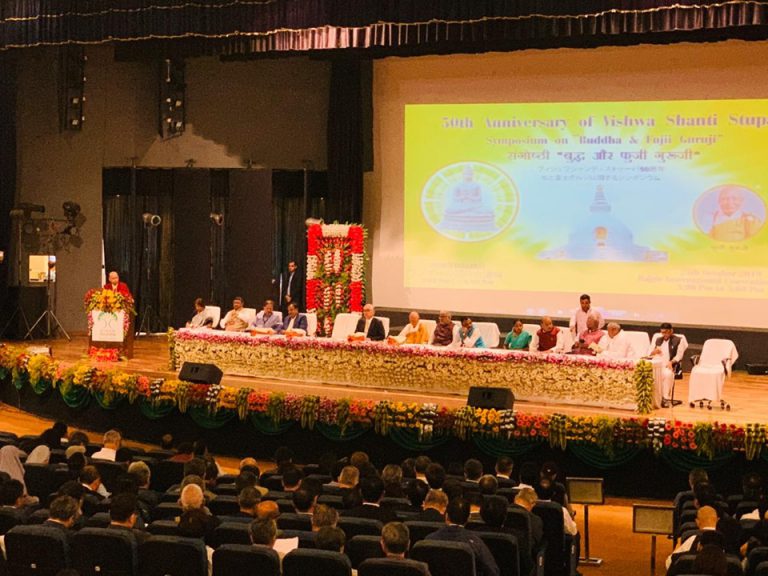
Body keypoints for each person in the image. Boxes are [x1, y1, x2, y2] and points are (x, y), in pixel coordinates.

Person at [425, 497, 500, 576]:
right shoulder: (476, 543)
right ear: (468, 518)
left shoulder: (428, 540)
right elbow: (493, 571)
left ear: (446, 516)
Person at [648, 322, 688, 407]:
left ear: (671, 331)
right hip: (657, 364)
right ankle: (653, 398)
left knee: (667, 374)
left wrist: (672, 362)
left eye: (666, 332)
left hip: (668, 365)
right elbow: (649, 354)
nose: (665, 334)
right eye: (663, 332)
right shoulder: (658, 340)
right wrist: (653, 352)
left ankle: (665, 398)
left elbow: (679, 355)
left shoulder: (678, 340)